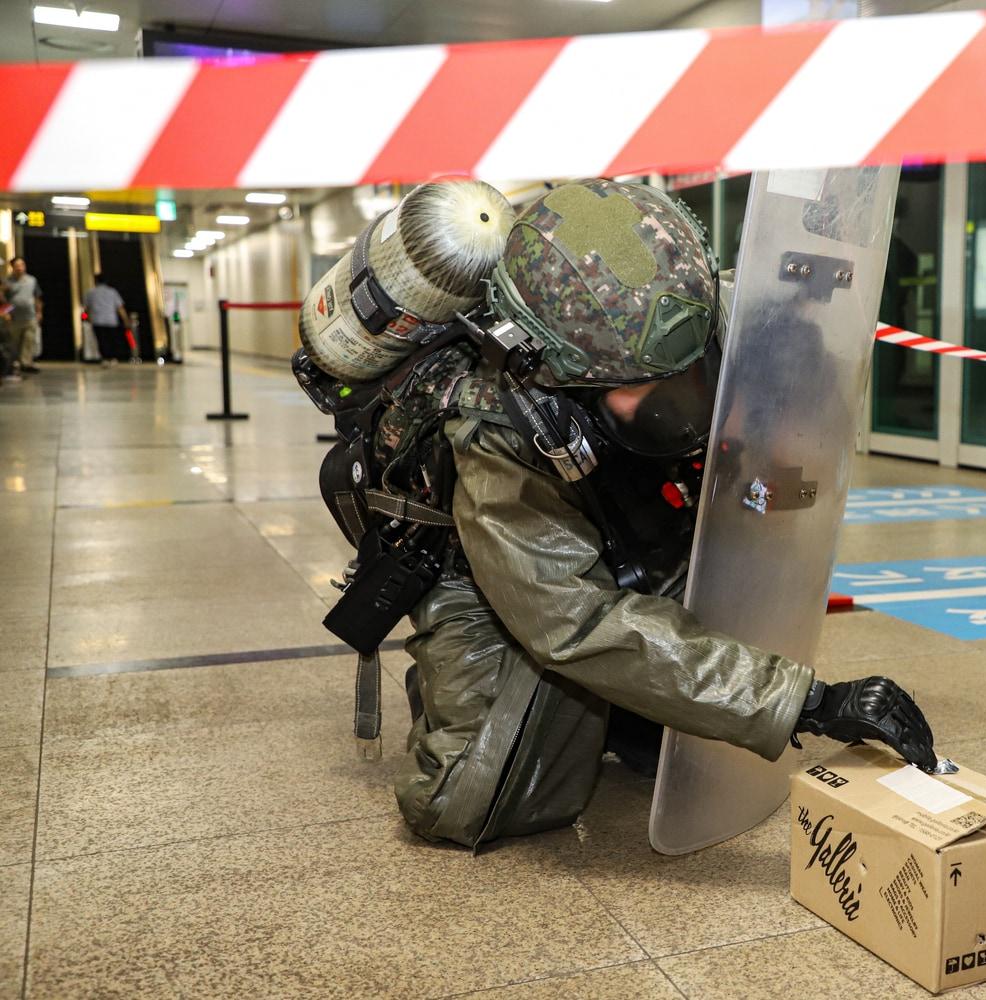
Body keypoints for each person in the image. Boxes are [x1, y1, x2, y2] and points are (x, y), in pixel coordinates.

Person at [310, 179, 937, 851]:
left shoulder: (688, 311)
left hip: (610, 505)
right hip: (480, 566)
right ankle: (457, 675)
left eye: (681, 373)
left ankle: (627, 700)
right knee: (465, 800)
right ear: (550, 369)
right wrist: (808, 703)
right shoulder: (495, 430)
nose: (671, 399)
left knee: (654, 705)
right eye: (636, 386)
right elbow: (570, 618)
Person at [3, 257, 42, 375]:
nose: (20, 267)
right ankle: (12, 365)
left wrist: (39, 312)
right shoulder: (6, 281)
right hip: (13, 318)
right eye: (17, 265)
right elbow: (3, 300)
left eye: (22, 265)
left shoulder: (32, 280)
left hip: (30, 316)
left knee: (29, 341)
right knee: (13, 343)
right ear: (12, 267)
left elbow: (37, 297)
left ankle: (26, 364)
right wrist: (6, 313)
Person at [83, 273, 130, 366]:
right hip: (111, 320)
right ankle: (113, 358)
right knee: (112, 339)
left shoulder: (90, 292)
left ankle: (105, 358)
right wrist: (126, 320)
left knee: (102, 340)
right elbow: (120, 307)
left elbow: (87, 308)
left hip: (97, 320)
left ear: (96, 281)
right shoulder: (112, 292)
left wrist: (88, 318)